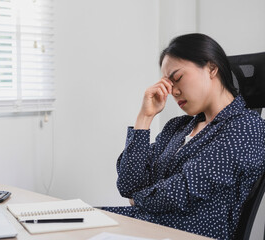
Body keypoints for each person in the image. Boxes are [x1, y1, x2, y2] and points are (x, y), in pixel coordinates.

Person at [103, 33, 265, 240]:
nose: (174, 92)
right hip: (144, 226)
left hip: (183, 234)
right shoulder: (177, 127)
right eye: (169, 85)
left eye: (177, 78)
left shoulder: (246, 127)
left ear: (211, 68)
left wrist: (138, 198)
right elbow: (128, 185)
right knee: (73, 220)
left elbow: (182, 192)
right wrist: (144, 118)